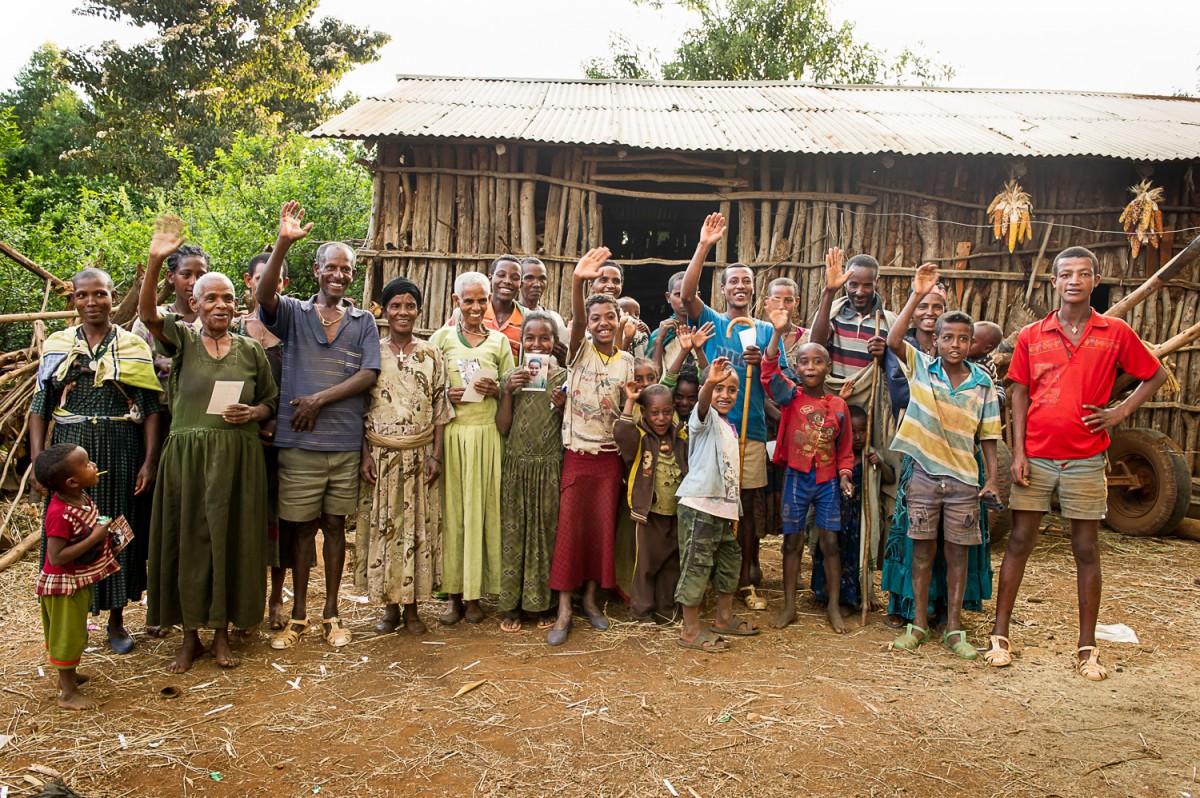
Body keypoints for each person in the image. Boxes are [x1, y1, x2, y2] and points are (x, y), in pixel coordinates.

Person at [987, 246, 1165, 680]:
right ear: (1054, 282)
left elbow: (1155, 373)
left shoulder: (1114, 331)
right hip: (1039, 456)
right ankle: (999, 635)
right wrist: (1021, 452)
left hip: (1086, 457)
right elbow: (1019, 392)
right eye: (1066, 274)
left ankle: (1087, 648)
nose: (1074, 281)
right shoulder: (1033, 334)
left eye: (1083, 274)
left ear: (1095, 281)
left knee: (1086, 549)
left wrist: (1119, 412)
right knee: (1019, 541)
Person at [139, 218, 278, 672]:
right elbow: (146, 316)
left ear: (238, 307)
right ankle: (190, 636)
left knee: (231, 541)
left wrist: (254, 414)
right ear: (194, 305)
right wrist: (157, 258)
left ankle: (222, 634)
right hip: (188, 461)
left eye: (228, 299)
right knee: (192, 541)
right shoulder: (181, 340)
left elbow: (270, 401)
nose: (220, 305)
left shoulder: (250, 349)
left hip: (238, 459)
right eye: (210, 298)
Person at [256, 201, 381, 650]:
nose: (339, 275)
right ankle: (299, 616)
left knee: (334, 527)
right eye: (331, 267)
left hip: (343, 443)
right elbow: (263, 296)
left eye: (346, 270)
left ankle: (332, 613)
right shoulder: (293, 313)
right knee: (302, 529)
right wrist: (283, 243)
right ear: (316, 271)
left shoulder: (364, 321)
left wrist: (318, 399)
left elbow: (368, 375)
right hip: (300, 443)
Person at [29, 268, 163, 654]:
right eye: (83, 295)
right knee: (69, 533)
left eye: (100, 294)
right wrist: (39, 461)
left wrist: (149, 462)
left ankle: (118, 620)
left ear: (112, 296)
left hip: (121, 448)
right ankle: (77, 615)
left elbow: (151, 409)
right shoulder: (58, 345)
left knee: (118, 531)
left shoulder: (133, 346)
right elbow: (41, 406)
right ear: (73, 299)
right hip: (69, 455)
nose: (92, 302)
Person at [886, 263, 1001, 660]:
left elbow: (988, 434)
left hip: (965, 482)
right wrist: (916, 295)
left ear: (972, 343)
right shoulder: (921, 368)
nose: (954, 344)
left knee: (958, 554)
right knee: (921, 552)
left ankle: (954, 628)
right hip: (923, 477)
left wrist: (994, 480)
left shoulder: (982, 383)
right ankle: (918, 624)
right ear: (934, 341)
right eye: (947, 338)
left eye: (963, 339)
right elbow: (894, 338)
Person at [680, 212, 779, 610]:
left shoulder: (766, 330)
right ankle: (707, 579)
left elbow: (775, 376)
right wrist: (704, 245)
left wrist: (763, 359)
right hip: (714, 431)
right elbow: (687, 296)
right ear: (722, 290)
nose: (740, 286)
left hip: (750, 432)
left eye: (746, 282)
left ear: (753, 291)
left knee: (747, 509)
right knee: (712, 506)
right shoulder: (714, 322)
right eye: (733, 281)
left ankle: (742, 579)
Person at [547, 248, 634, 646]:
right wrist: (579, 280)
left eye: (609, 318)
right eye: (596, 318)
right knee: (570, 530)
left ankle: (590, 601)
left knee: (601, 532)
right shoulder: (578, 351)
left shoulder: (627, 363)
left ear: (619, 323)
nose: (601, 323)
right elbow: (578, 318)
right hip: (578, 455)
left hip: (609, 459)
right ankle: (563, 609)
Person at [360, 277, 450, 636]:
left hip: (419, 456)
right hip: (381, 458)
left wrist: (436, 456)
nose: (403, 312)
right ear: (384, 310)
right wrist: (364, 454)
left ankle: (413, 610)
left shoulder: (432, 354)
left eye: (409, 305)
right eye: (395, 305)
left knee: (416, 531)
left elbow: (441, 407)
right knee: (386, 529)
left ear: (418, 310)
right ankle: (390, 609)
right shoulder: (372, 352)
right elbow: (360, 408)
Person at [760, 310, 854, 633]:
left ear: (828, 367)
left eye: (817, 362)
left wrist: (845, 477)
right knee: (792, 542)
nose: (810, 367)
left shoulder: (839, 406)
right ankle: (789, 606)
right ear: (796, 368)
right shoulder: (791, 397)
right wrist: (776, 333)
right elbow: (769, 373)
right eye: (804, 362)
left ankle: (832, 606)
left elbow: (845, 452)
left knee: (829, 543)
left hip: (827, 482)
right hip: (797, 478)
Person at [429, 272, 514, 625]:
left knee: (484, 514)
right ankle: (453, 596)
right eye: (469, 301)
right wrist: (444, 394)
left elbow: (513, 387)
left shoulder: (499, 343)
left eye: (483, 300)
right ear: (455, 302)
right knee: (454, 516)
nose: (476, 307)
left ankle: (477, 596)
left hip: (487, 437)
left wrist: (499, 391)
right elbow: (429, 387)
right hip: (453, 437)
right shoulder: (442, 340)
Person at [675, 358, 759, 651]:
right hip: (699, 507)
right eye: (718, 389)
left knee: (729, 562)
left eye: (732, 390)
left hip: (723, 511)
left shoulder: (729, 427)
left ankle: (723, 618)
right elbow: (701, 402)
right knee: (696, 567)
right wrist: (709, 382)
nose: (725, 395)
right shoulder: (704, 419)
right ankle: (690, 630)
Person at [35, 443, 127, 710]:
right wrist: (96, 538)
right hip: (64, 586)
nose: (94, 465)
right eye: (87, 464)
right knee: (68, 636)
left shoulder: (80, 498)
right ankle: (67, 693)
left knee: (74, 632)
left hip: (77, 581)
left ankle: (69, 678)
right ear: (72, 481)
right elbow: (56, 557)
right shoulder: (59, 513)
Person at [495, 312, 568, 632]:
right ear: (520, 342)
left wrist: (564, 404)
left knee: (546, 536)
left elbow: (569, 428)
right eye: (531, 338)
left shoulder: (563, 379)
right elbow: (503, 427)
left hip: (549, 466)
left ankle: (544, 605)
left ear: (555, 343)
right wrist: (508, 392)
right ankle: (511, 606)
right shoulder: (512, 377)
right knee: (514, 534)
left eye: (545, 338)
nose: (537, 344)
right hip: (517, 467)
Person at [233, 251, 290, 630]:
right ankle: (241, 600)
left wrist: (277, 425)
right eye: (261, 276)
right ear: (249, 282)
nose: (270, 283)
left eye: (278, 278)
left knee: (280, 522)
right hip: (241, 442)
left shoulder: (293, 329)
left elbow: (303, 384)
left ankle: (274, 600)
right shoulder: (232, 331)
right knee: (241, 520)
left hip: (284, 441)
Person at [614, 382, 687, 625]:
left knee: (671, 564)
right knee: (645, 565)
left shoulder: (680, 436)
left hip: (676, 513)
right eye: (654, 413)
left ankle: (666, 611)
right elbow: (621, 434)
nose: (661, 418)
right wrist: (630, 402)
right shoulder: (639, 436)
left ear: (673, 410)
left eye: (667, 412)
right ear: (644, 413)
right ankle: (642, 613)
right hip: (649, 514)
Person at [812, 406, 894, 618]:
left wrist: (880, 464)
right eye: (853, 431)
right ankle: (826, 595)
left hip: (859, 521)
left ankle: (851, 599)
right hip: (835, 516)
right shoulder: (839, 455)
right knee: (831, 552)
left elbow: (890, 479)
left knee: (853, 557)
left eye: (862, 431)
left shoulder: (871, 455)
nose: (858, 437)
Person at [809, 248, 896, 380]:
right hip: (834, 394)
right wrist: (829, 292)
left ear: (876, 282)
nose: (859, 292)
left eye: (867, 286)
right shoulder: (832, 315)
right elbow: (815, 348)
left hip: (870, 398)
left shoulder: (889, 322)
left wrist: (885, 355)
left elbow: (900, 367)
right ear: (845, 283)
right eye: (853, 285)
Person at [132, 244, 209, 391]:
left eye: (200, 275)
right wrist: (156, 365)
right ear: (170, 276)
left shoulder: (212, 321)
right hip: (155, 409)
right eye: (186, 275)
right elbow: (132, 366)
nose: (193, 282)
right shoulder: (149, 322)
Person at [516, 256, 570, 345]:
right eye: (529, 278)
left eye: (542, 279)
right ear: (519, 281)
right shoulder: (511, 314)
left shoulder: (555, 319)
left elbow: (562, 350)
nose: (537, 284)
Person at [647, 271, 690, 375]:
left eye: (690, 293)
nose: (684, 299)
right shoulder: (660, 334)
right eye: (678, 294)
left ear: (698, 296)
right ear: (668, 297)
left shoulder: (707, 329)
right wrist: (659, 340)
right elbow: (653, 376)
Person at [968, 320, 1006, 410]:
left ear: (986, 349)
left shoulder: (982, 368)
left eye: (972, 342)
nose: (966, 343)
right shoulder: (972, 358)